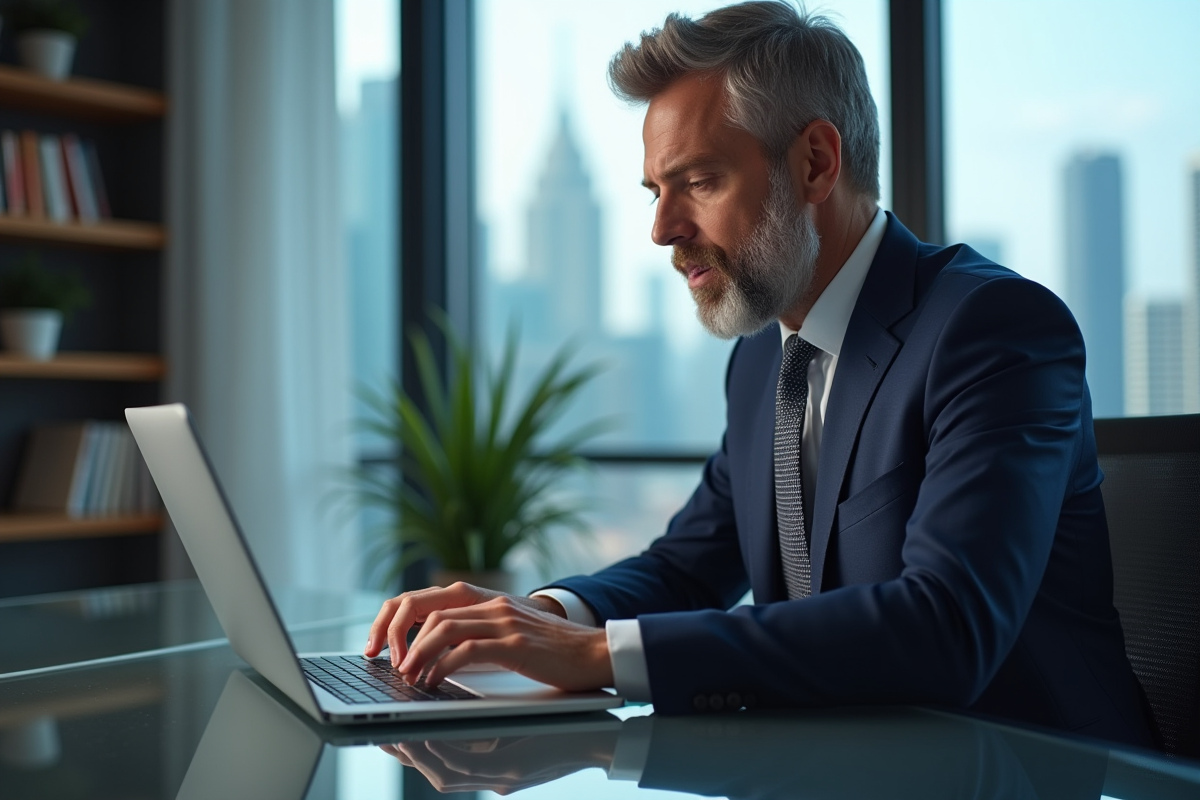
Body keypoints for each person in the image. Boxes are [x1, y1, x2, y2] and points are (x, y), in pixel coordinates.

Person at [365, 0, 1156, 748]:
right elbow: (687, 566)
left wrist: (599, 657)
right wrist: (541, 617)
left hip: (1034, 771)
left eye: (699, 183)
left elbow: (944, 626)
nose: (662, 230)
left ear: (815, 163)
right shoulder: (760, 361)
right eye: (656, 190)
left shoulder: (993, 330)